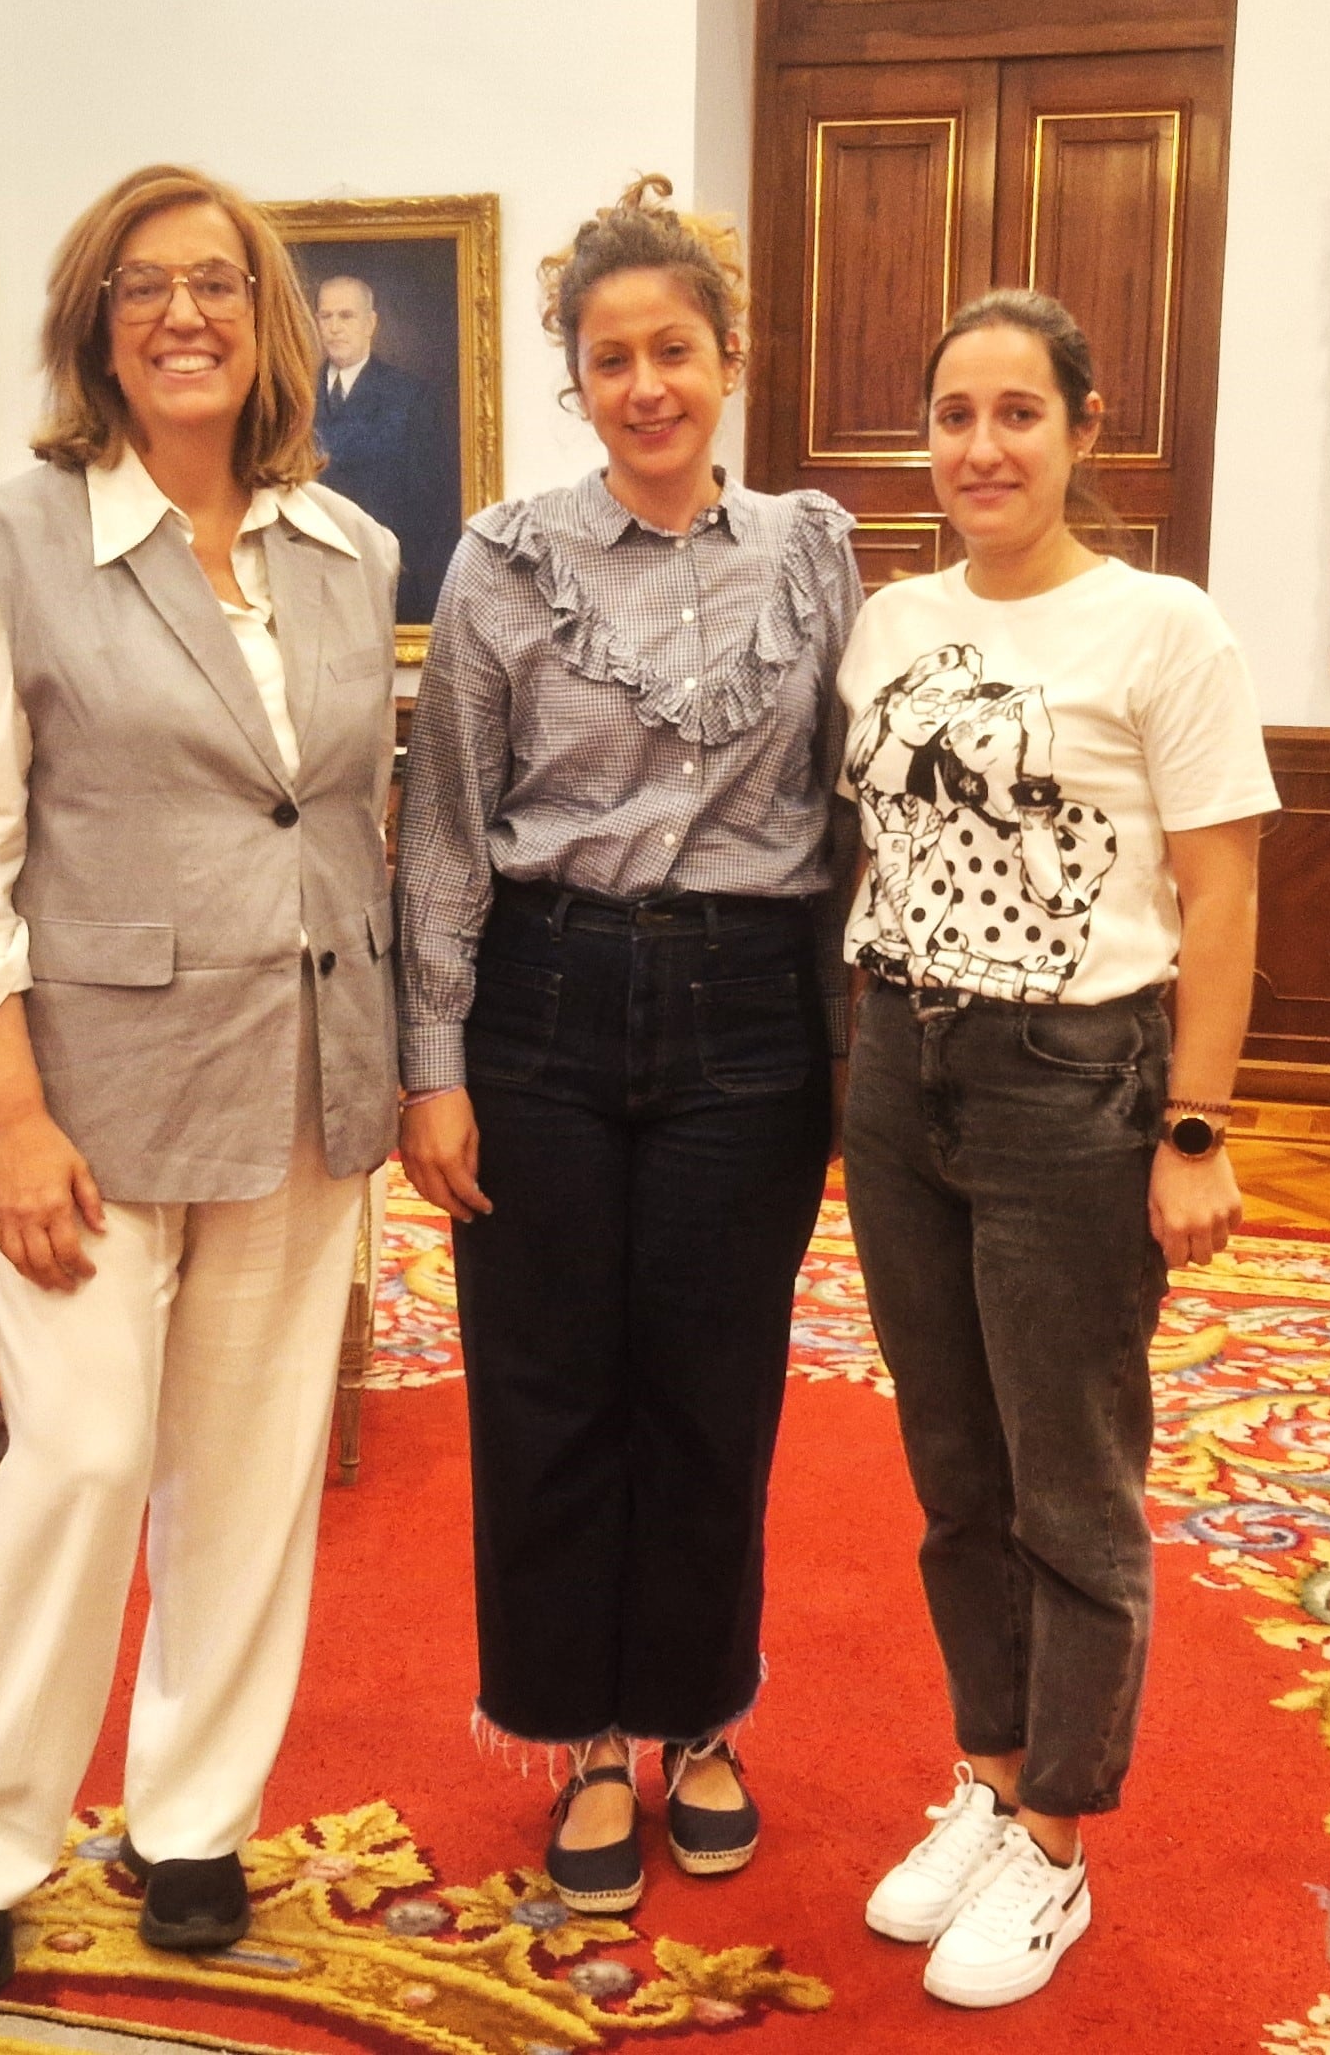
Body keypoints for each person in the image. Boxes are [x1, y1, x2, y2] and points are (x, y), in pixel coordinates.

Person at [0, 164, 400, 2003]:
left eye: (216, 286)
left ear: (267, 319)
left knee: (250, 1476)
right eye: (141, 288)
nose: (182, 316)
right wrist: (7, 1110)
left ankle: (190, 1818)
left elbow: (349, 827)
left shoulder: (351, 552)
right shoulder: (2, 546)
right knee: (86, 1460)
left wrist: (403, 1066)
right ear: (90, 325)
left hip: (303, 1081)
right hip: (82, 1099)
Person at [395, 176, 860, 1915]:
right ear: (572, 379)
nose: (645, 383)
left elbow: (847, 804)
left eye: (674, 348)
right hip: (542, 1000)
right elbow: (441, 825)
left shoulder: (814, 549)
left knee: (709, 1382)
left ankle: (698, 1720)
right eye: (609, 358)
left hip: (747, 1013)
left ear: (729, 358)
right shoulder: (502, 558)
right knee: (544, 1384)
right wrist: (430, 1064)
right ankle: (584, 1733)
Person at [838, 289, 1274, 2009]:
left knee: (1068, 1479)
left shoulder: (1162, 629)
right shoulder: (886, 626)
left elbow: (1223, 891)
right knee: (952, 1468)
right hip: (901, 1071)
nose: (980, 448)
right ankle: (991, 1775)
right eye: (952, 415)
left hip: (1072, 1087)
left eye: (1018, 412)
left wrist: (1194, 1128)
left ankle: (1060, 1844)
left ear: (1082, 431)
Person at [312, 274, 461, 620]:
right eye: (326, 316)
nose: (334, 328)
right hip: (311, 582)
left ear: (371, 323)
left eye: (346, 316)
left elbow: (430, 506)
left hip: (385, 580)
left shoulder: (410, 397)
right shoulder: (295, 397)